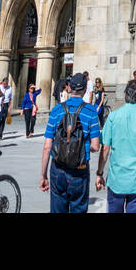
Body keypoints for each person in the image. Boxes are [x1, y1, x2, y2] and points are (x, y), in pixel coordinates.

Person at [95, 78, 136, 214]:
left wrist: (99, 173)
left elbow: (105, 148)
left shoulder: (113, 117)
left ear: (125, 94)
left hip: (116, 179)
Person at [41, 71, 101, 213]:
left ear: (69, 88)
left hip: (58, 168)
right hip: (79, 170)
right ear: (85, 90)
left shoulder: (56, 110)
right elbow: (95, 146)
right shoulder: (91, 111)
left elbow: (47, 147)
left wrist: (43, 175)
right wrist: (82, 147)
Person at [0, 77, 13, 141]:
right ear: (2, 83)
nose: (5, 85)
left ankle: (0, 135)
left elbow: (11, 98)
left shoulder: (10, 88)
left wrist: (10, 107)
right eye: (4, 83)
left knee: (3, 120)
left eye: (6, 84)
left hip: (6, 105)